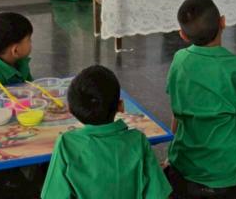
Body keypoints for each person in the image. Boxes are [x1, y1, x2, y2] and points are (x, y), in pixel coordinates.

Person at [165, 0, 236, 196]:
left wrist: (171, 152)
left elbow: (176, 110)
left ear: (183, 35)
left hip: (184, 162)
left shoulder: (179, 60)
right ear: (223, 22)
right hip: (226, 168)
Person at [41, 65, 171, 199]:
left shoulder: (66, 144)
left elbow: (53, 196)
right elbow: (158, 194)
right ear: (121, 106)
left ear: (71, 109)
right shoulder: (138, 141)